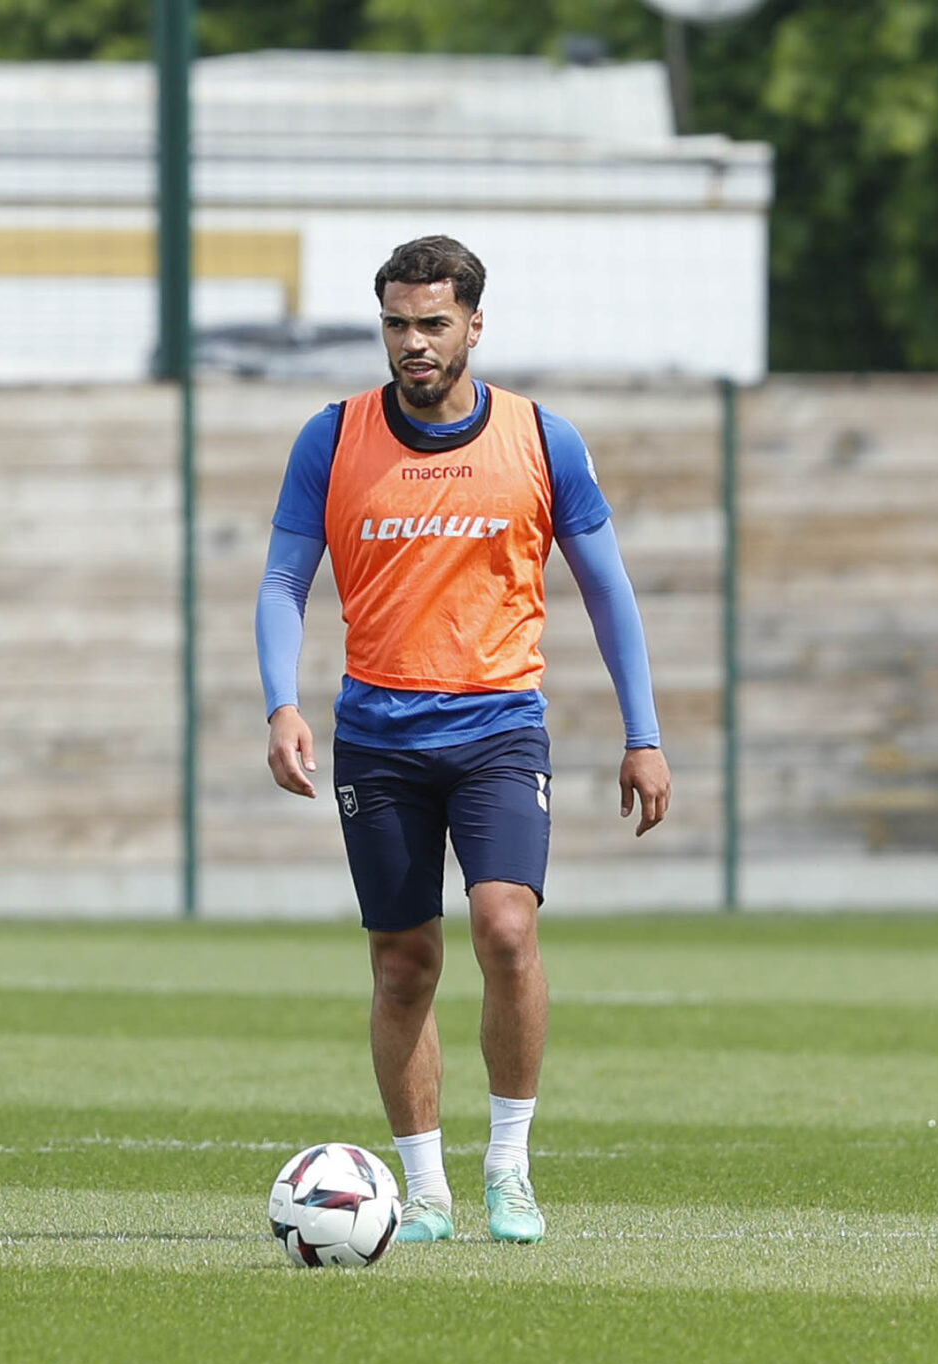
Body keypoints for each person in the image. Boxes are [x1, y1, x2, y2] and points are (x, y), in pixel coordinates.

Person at [255, 235, 671, 1245]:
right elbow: (282, 581)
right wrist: (281, 703)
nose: (414, 343)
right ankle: (426, 1190)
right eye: (396, 324)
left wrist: (644, 734)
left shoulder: (542, 441)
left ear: (474, 326)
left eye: (433, 324)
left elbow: (608, 591)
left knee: (507, 929)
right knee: (403, 963)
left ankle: (509, 1170)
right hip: (379, 737)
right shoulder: (332, 439)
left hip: (498, 727)